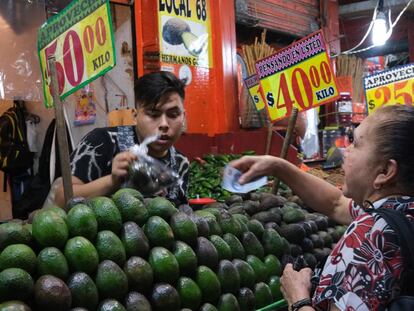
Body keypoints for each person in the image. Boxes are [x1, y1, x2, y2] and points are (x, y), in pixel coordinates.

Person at [230, 105, 414, 310]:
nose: (346, 150)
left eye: (355, 143)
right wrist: (277, 166)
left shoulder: (369, 234)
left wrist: (298, 297)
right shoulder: (399, 211)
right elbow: (336, 204)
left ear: (386, 171)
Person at [54, 71, 189, 207]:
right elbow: (61, 199)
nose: (164, 124)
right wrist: (112, 181)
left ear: (183, 117)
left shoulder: (180, 162)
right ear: (135, 116)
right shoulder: (101, 142)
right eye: (153, 114)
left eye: (173, 114)